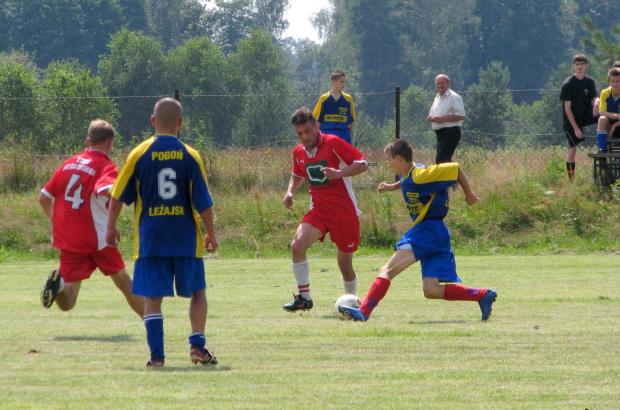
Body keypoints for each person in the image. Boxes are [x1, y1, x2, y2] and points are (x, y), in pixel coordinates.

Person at [106, 98, 218, 368]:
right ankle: (197, 347)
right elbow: (203, 201)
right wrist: (211, 232)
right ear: (180, 124)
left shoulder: (139, 153)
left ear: (153, 121)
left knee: (153, 299)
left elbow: (117, 196)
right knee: (198, 292)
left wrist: (110, 227)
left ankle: (157, 357)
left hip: (151, 240)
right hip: (185, 239)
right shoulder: (191, 155)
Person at [339, 138, 497, 322]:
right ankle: (483, 295)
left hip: (427, 230)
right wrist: (392, 187)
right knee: (431, 290)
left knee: (387, 271)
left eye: (389, 160)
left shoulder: (420, 174)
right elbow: (406, 180)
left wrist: (469, 193)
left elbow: (454, 168)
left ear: (398, 159)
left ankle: (363, 312)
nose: (388, 164)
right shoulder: (408, 173)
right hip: (438, 233)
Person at [39, 120, 144, 319]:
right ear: (110, 143)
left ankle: (57, 286)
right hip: (97, 237)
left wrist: (59, 223)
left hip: (70, 239)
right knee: (123, 281)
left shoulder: (68, 164)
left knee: (67, 301)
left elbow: (44, 198)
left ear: (88, 141)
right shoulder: (105, 166)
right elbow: (107, 191)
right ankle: (153, 323)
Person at [282, 108, 368, 312]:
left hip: (344, 211)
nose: (304, 137)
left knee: (344, 264)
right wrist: (290, 192)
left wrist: (340, 173)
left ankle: (352, 302)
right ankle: (304, 298)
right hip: (319, 210)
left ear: (316, 126)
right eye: (299, 133)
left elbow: (362, 164)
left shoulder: (332, 142)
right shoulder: (298, 152)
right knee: (296, 246)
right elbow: (297, 173)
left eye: (307, 131)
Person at [560, 54, 599, 181]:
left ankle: (603, 143)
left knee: (602, 116)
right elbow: (567, 109)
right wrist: (576, 128)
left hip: (586, 114)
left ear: (586, 66)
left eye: (582, 64)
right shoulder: (568, 84)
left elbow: (595, 96)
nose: (580, 66)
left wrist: (597, 102)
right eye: (577, 64)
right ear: (573, 66)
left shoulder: (589, 81)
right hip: (571, 119)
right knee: (573, 147)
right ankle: (571, 179)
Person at [427, 74, 466, 164]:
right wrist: (430, 117)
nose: (440, 86)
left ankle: (448, 178)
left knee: (442, 161)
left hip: (451, 132)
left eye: (442, 83)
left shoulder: (454, 97)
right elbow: (431, 113)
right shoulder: (437, 97)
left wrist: (443, 119)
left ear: (449, 84)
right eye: (438, 83)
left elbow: (461, 115)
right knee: (445, 161)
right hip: (440, 133)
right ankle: (453, 178)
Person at [313, 70, 356, 145]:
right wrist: (317, 137)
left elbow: (351, 121)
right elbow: (318, 120)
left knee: (344, 156)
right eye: (341, 82)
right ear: (334, 81)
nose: (344, 84)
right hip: (327, 133)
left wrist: (349, 136)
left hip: (343, 133)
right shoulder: (324, 98)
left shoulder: (348, 99)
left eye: (345, 82)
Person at [596, 67, 620, 152]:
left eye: (617, 81)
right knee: (602, 119)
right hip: (609, 124)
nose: (615, 84)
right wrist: (617, 115)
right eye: (612, 81)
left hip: (618, 124)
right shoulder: (605, 93)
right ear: (609, 81)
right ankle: (602, 150)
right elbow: (602, 112)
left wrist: (615, 125)